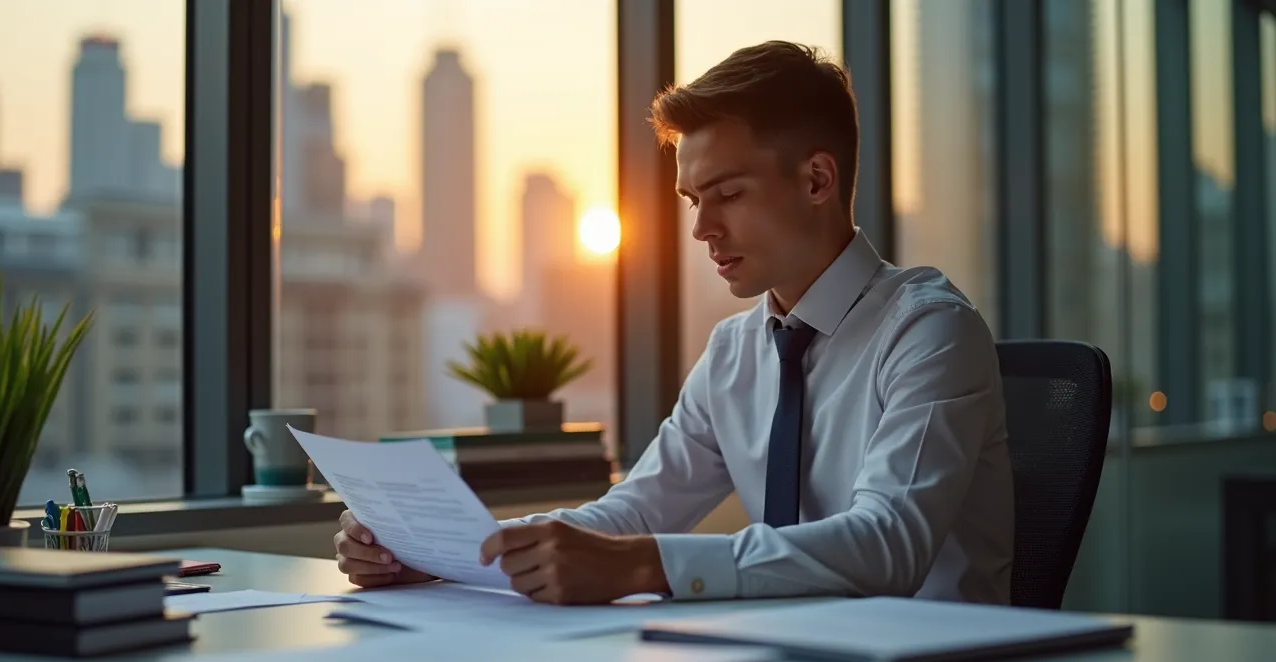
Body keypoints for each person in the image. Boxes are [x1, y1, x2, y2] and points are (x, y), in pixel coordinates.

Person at [333, 40, 1014, 606]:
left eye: (729, 195)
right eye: (693, 199)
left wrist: (641, 567)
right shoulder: (736, 352)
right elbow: (632, 512)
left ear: (816, 181)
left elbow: (887, 543)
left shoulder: (929, 332)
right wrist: (447, 555)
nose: (701, 229)